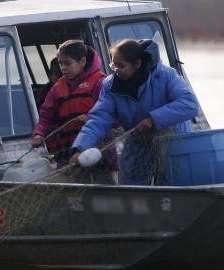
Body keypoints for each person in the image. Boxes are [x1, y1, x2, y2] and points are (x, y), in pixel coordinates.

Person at [69, 39, 199, 185]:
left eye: (121, 66)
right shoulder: (111, 85)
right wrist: (81, 147)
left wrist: (153, 118)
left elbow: (190, 104)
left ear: (137, 64)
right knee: (135, 189)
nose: (116, 70)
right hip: (138, 145)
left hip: (172, 144)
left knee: (172, 187)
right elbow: (98, 119)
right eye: (114, 65)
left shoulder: (167, 76)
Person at [31, 40, 106, 169]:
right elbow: (46, 115)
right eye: (61, 64)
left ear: (82, 62)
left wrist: (91, 117)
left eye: (67, 63)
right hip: (67, 154)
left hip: (99, 153)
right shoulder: (56, 88)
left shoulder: (100, 83)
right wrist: (39, 133)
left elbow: (110, 112)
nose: (63, 68)